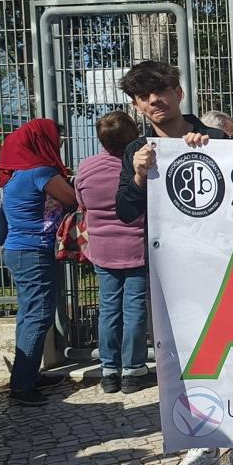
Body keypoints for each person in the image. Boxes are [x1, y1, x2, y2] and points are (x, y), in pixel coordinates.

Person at [113, 61, 233, 465]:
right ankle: (199, 445)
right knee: (181, 361)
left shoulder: (216, 139)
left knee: (230, 354)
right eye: (142, 97)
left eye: (160, 91)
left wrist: (212, 152)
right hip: (169, 275)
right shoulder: (136, 150)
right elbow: (126, 211)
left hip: (220, 270)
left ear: (179, 92)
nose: (153, 101)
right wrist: (138, 175)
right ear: (135, 105)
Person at [0, 119, 75, 407]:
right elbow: (72, 198)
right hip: (33, 252)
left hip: (18, 250)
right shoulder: (40, 172)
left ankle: (28, 374)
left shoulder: (15, 173)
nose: (60, 143)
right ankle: (21, 386)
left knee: (28, 313)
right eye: (57, 138)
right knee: (39, 314)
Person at [75, 112, 150, 395]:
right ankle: (133, 370)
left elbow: (81, 203)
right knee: (134, 309)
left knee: (108, 309)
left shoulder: (86, 168)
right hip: (137, 247)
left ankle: (108, 371)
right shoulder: (139, 166)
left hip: (102, 249)